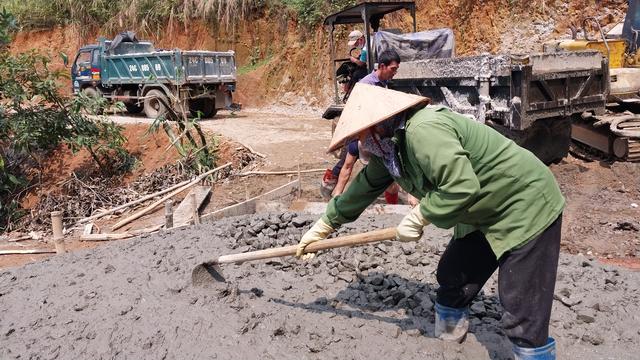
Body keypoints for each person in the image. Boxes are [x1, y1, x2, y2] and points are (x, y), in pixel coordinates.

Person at [300, 83, 564, 360]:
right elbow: (361, 189)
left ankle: (532, 353)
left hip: (523, 203)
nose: (358, 145)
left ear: (378, 125)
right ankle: (448, 345)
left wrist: (420, 215)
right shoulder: (390, 151)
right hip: (479, 211)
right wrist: (324, 226)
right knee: (453, 276)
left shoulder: (423, 130)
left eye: (359, 135)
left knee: (521, 304)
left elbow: (461, 186)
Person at [322, 49, 404, 204]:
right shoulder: (366, 85)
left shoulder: (382, 83)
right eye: (393, 69)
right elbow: (357, 111)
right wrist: (371, 130)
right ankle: (334, 199)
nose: (395, 73)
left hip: (374, 135)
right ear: (382, 66)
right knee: (348, 166)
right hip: (364, 133)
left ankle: (391, 205)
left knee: (349, 165)